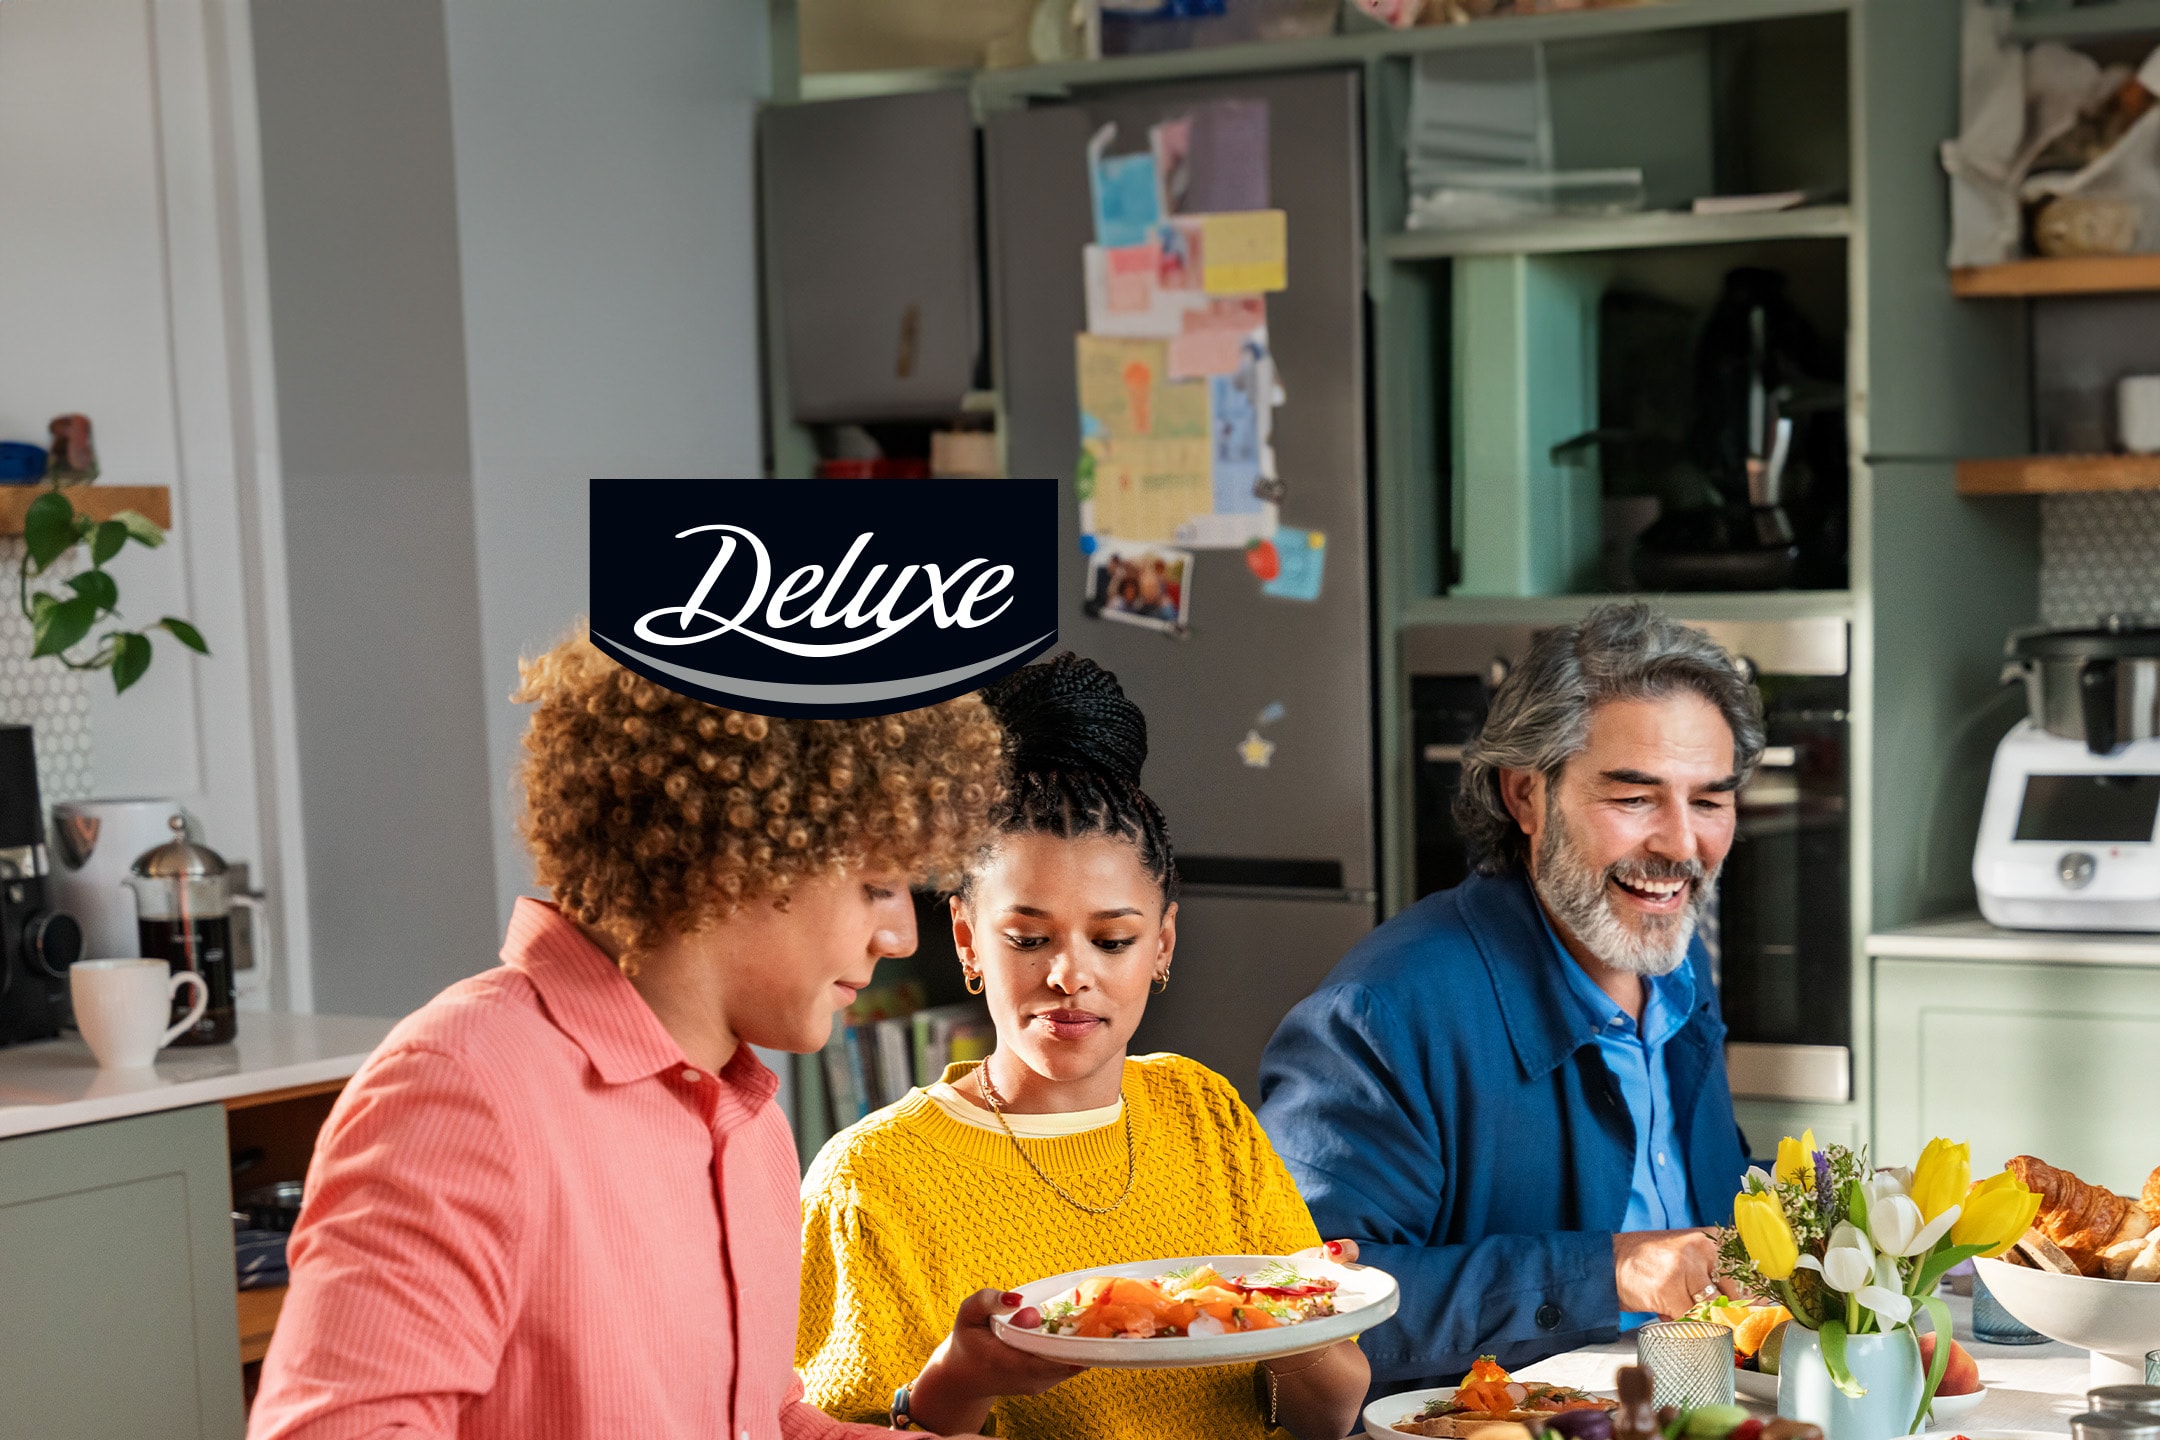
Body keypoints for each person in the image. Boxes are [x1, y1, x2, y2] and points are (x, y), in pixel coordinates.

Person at [248, 628, 1006, 1440]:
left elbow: (761, 1420)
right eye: (877, 885)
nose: (897, 936)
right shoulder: (461, 1088)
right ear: (739, 851)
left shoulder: (749, 1123)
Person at [796, 654, 1370, 1440]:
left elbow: (1327, 1418)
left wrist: (1295, 1315)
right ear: (966, 939)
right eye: (1029, 937)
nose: (1071, 975)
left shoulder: (1202, 1112)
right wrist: (957, 1385)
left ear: (1162, 943)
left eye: (1113, 939)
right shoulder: (873, 1182)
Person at [1257, 602, 1758, 1395]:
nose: (1680, 843)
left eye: (1708, 801)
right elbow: (1298, 1310)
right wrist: (1610, 1274)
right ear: (1526, 796)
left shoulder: (1673, 960)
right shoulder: (1378, 1016)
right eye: (1634, 799)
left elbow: (1702, 1218)